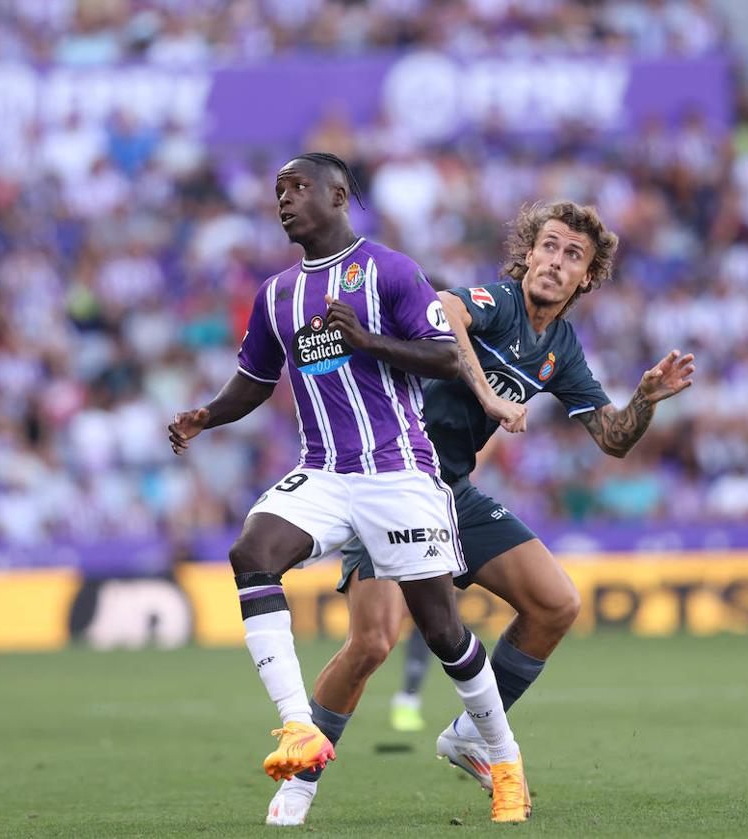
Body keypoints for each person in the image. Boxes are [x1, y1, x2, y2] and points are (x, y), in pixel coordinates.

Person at [272, 200, 695, 822]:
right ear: (529, 252)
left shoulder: (562, 347)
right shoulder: (498, 301)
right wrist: (488, 392)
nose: (555, 261)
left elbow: (612, 438)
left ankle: (471, 735)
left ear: (587, 277)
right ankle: (300, 780)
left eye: (572, 255)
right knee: (372, 642)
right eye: (548, 247)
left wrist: (645, 398)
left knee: (557, 603)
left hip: (451, 492)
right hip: (391, 477)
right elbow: (444, 310)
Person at [168, 153, 531, 825]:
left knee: (444, 630)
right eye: (277, 191)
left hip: (399, 471)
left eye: (297, 187)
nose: (283, 200)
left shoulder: (390, 270)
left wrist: (366, 339)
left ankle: (505, 760)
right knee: (253, 552)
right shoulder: (277, 294)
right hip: (327, 471)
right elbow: (255, 378)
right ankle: (298, 729)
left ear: (338, 195)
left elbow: (448, 355)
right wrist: (207, 414)